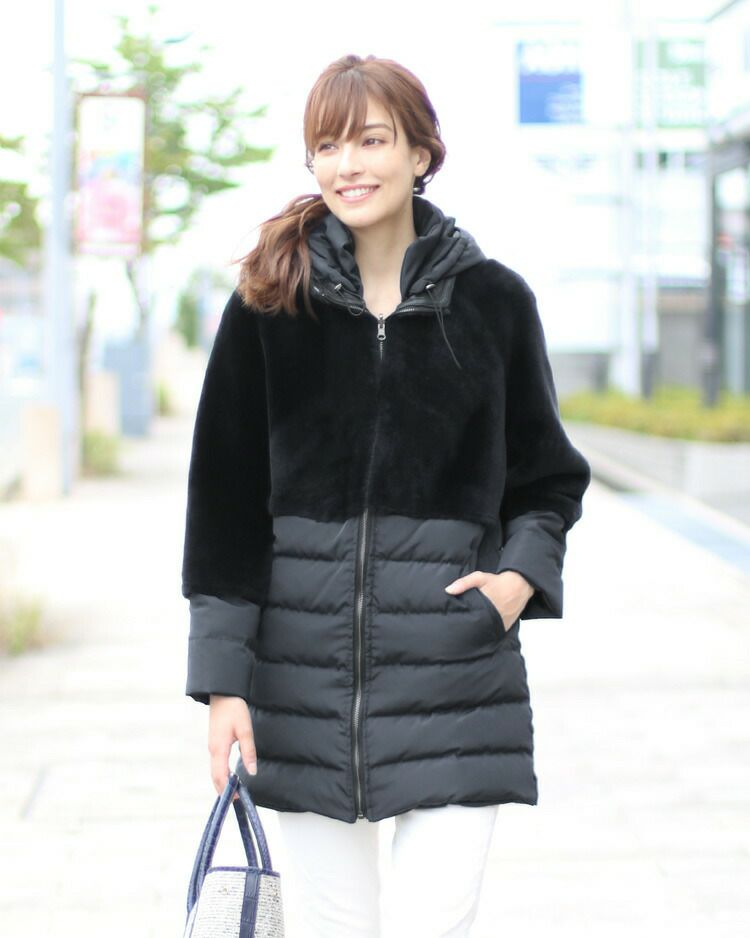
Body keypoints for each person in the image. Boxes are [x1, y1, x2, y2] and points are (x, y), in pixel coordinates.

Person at [181, 53, 591, 938]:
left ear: (420, 153)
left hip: (456, 676)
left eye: (370, 141)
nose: (347, 165)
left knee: (433, 923)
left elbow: (548, 479)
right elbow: (222, 509)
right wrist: (222, 685)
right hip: (299, 687)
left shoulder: (494, 303)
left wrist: (517, 581)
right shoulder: (268, 307)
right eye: (328, 146)